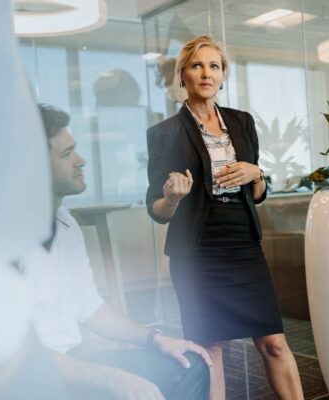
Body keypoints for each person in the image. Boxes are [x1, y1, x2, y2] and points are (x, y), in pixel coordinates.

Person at [146, 35, 303, 400]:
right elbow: (156, 209)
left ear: (222, 75)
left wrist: (257, 173)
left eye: (214, 66)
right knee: (211, 348)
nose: (206, 73)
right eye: (197, 66)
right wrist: (172, 198)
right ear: (182, 75)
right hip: (197, 253)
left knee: (274, 342)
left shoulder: (242, 122)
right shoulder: (164, 133)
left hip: (243, 245)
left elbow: (258, 194)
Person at [19, 103, 212, 400]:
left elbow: (90, 306)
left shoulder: (66, 224)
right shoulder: (3, 242)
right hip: (31, 379)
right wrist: (112, 379)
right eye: (67, 154)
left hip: (72, 360)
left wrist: (155, 338)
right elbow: (16, 356)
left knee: (189, 364)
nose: (81, 161)